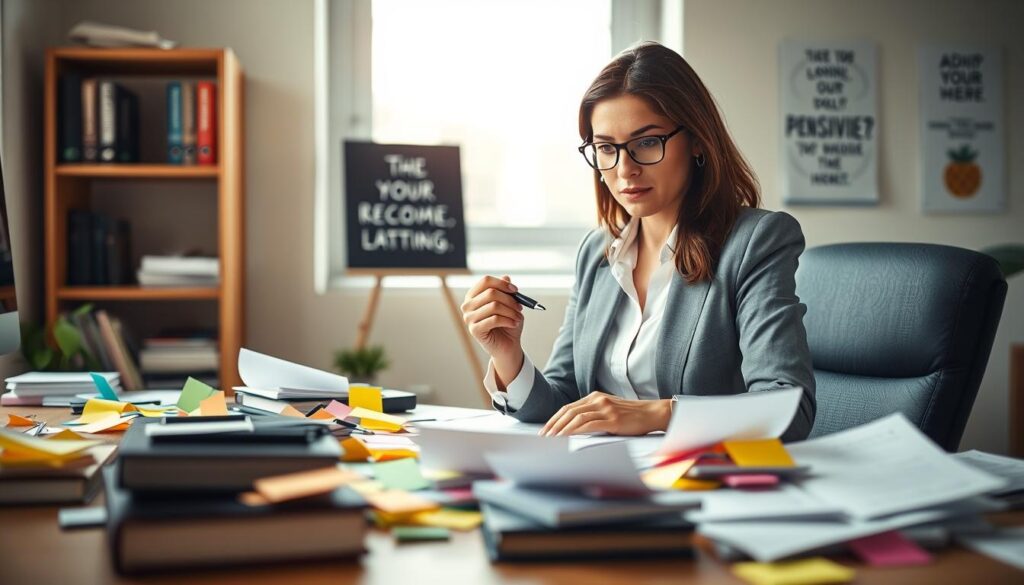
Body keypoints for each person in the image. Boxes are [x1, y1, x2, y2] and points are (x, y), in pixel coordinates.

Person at [460, 42, 815, 440]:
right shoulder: (597, 253)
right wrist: (507, 355)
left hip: (703, 485)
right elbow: (564, 404)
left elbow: (790, 407)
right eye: (607, 148)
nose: (624, 170)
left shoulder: (755, 242)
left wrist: (658, 414)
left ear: (697, 139)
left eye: (647, 142)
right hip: (608, 477)